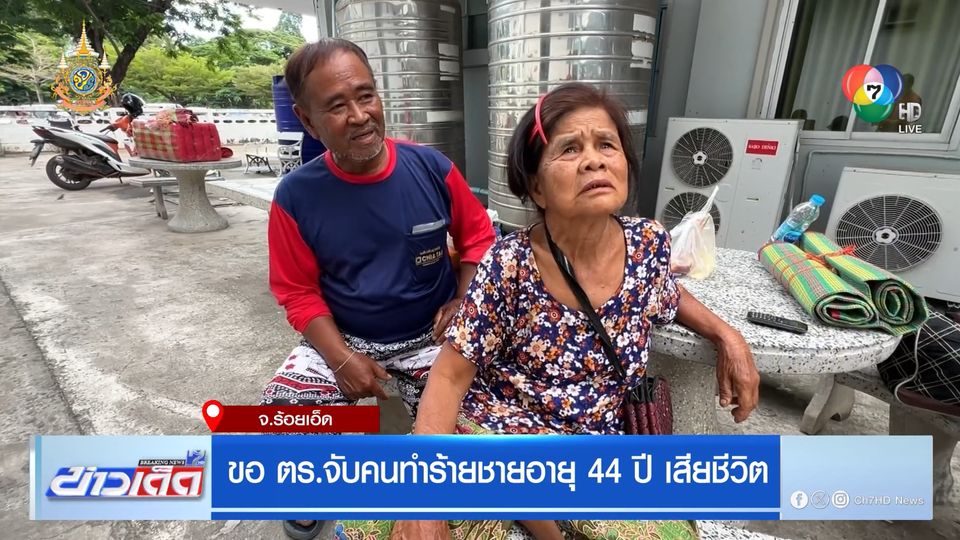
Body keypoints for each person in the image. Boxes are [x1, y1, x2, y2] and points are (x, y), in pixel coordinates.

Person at [335, 83, 761, 539]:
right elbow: (449, 377)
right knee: (374, 526)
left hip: (589, 457)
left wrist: (729, 337)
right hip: (494, 436)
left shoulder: (647, 244)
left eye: (606, 145)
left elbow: (668, 295)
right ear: (536, 186)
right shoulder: (510, 264)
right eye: (570, 149)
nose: (594, 160)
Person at [261, 39, 495, 540]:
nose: (359, 116)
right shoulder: (295, 197)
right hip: (344, 338)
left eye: (366, 96)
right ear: (307, 121)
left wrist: (463, 299)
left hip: (432, 337)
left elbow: (478, 238)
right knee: (282, 416)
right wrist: (341, 358)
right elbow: (297, 292)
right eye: (336, 106)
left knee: (480, 431)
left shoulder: (432, 168)